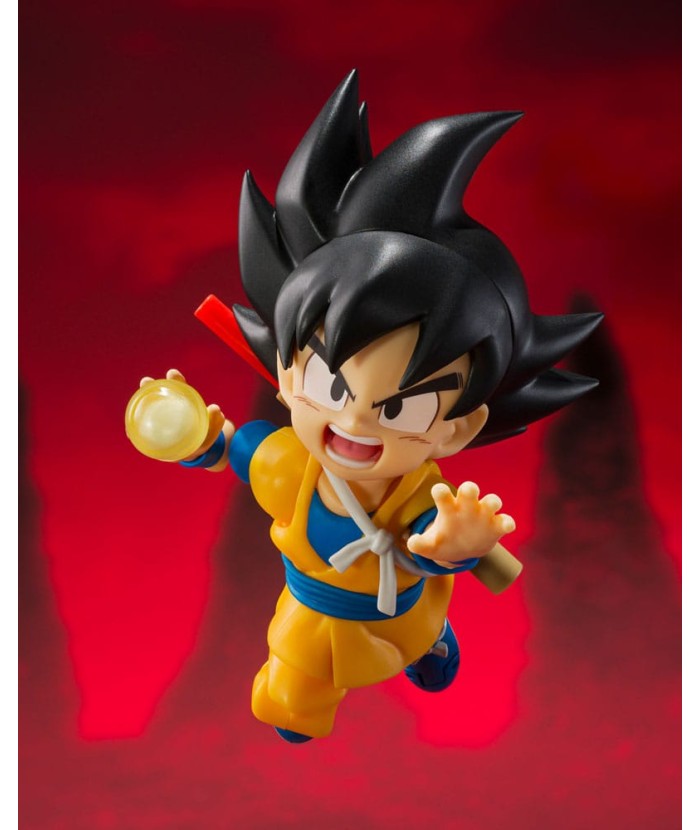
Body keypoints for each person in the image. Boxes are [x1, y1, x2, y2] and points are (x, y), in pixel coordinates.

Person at [130, 71, 602, 742]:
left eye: (402, 408)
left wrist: (453, 548)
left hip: (402, 609)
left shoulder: (419, 496)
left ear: (459, 427)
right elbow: (233, 450)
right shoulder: (288, 464)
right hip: (314, 614)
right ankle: (316, 697)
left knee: (416, 630)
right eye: (330, 385)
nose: (353, 422)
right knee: (289, 699)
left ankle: (427, 642)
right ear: (288, 372)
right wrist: (193, 436)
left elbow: (431, 544)